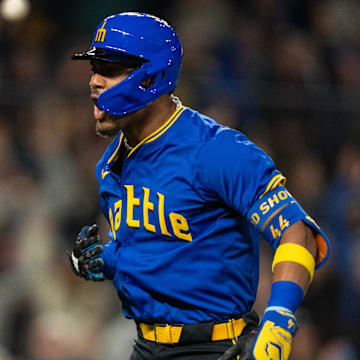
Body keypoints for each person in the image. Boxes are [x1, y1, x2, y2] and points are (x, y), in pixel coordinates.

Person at [68, 12, 330, 360]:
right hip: (146, 348)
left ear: (151, 77)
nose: (95, 81)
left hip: (214, 348)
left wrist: (280, 316)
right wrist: (108, 260)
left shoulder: (215, 150)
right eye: (93, 69)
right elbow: (167, 249)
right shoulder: (112, 162)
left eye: (110, 67)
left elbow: (297, 231)